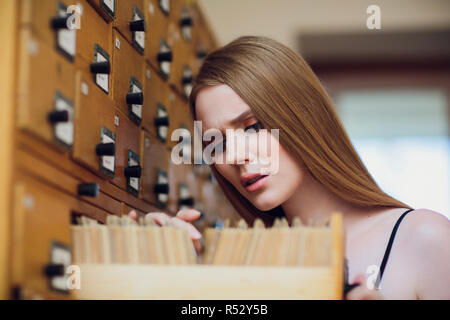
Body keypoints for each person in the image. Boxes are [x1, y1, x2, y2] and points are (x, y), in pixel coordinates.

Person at [130, 36, 449, 300]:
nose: (236, 156)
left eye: (253, 127)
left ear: (303, 116)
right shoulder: (238, 267)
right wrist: (162, 272)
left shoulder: (426, 238)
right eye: (218, 143)